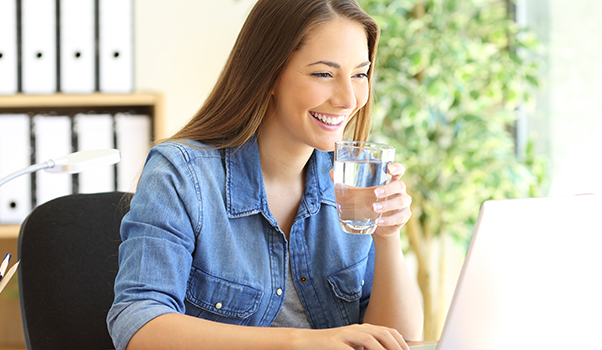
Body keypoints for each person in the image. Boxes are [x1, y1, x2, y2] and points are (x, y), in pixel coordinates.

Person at [106, 0, 424, 349]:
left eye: (360, 74)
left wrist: (387, 236)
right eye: (323, 74)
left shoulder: (349, 183)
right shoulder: (182, 175)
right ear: (269, 74)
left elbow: (399, 340)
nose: (349, 99)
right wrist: (299, 343)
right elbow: (139, 326)